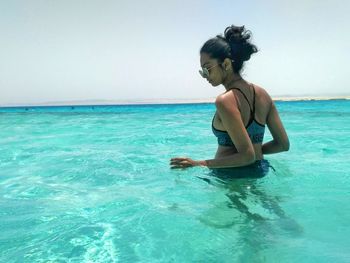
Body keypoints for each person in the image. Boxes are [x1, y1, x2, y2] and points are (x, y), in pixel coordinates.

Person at [170, 25, 289, 178]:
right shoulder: (263, 95)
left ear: (226, 64)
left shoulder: (225, 101)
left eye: (207, 69)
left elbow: (247, 155)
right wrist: (257, 148)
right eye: (202, 71)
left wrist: (197, 164)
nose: (205, 76)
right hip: (260, 171)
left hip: (230, 177)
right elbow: (283, 145)